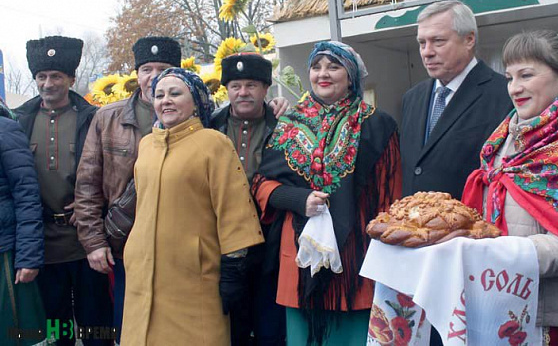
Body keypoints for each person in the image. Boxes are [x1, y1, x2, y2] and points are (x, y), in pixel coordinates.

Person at [252, 41, 402, 345]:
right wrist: (298, 199)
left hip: (356, 260)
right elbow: (260, 185)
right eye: (316, 66)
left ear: (351, 75)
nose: (324, 74)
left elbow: (392, 195)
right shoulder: (288, 125)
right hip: (300, 259)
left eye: (333, 66)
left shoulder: (377, 123)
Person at [462, 30, 558, 345]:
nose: (514, 88)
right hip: (503, 308)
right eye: (509, 77)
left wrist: (505, 254)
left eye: (526, 75)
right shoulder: (504, 139)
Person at [120, 68, 265, 345]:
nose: (166, 101)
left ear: (196, 101)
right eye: (159, 95)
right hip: (142, 275)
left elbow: (234, 212)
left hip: (193, 279)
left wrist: (234, 270)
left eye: (175, 93)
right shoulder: (147, 145)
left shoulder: (214, 144)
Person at [75, 36, 182, 343]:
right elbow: (87, 185)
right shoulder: (107, 117)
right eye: (147, 68)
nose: (153, 76)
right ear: (137, 74)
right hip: (127, 246)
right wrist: (94, 241)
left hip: (180, 247)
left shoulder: (196, 112)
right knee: (130, 329)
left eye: (163, 68)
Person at [14, 36, 112, 346]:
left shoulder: (94, 118)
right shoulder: (20, 121)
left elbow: (111, 172)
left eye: (56, 76)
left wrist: (90, 206)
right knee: (55, 331)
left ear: (71, 78)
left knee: (96, 325)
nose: (48, 83)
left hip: (86, 242)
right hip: (42, 245)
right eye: (42, 77)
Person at [400, 0, 513, 201]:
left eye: (438, 41)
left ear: (469, 40)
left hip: (473, 226)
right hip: (416, 225)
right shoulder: (412, 98)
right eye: (422, 43)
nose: (427, 52)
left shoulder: (505, 95)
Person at [211, 52, 286, 346]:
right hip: (224, 243)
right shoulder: (209, 125)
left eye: (251, 85)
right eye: (236, 85)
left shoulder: (283, 125)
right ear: (226, 89)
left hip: (271, 239)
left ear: (266, 89)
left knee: (270, 329)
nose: (243, 92)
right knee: (232, 328)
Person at [0, 103, 46, 346]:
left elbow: (27, 194)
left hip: (5, 253)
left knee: (15, 334)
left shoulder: (5, 130)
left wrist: (28, 257)